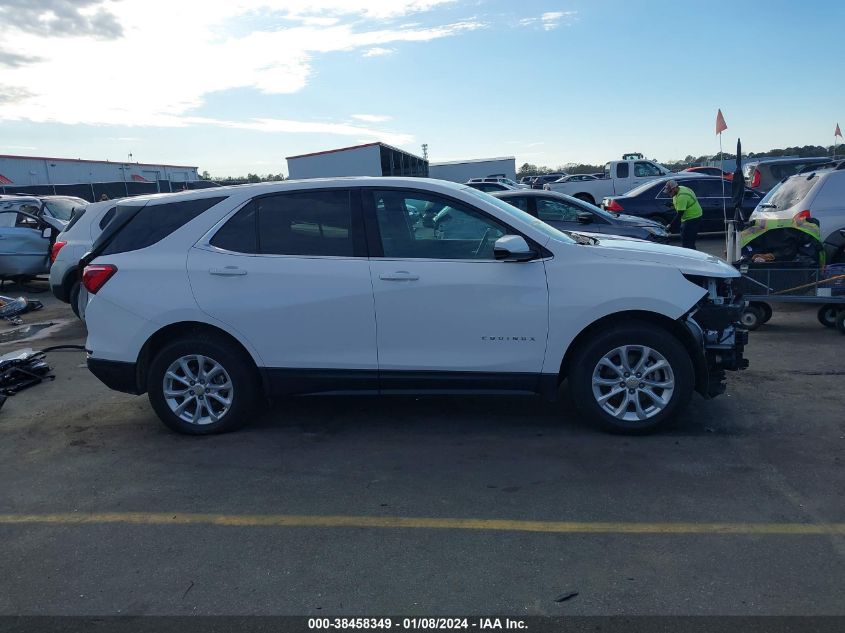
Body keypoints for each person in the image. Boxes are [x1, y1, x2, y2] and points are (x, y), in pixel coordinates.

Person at [664, 180, 702, 250]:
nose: (669, 194)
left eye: (669, 192)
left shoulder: (682, 196)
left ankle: (691, 256)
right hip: (689, 217)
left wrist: (670, 225)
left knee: (688, 242)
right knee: (686, 240)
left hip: (693, 218)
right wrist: (672, 205)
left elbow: (679, 214)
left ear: (674, 188)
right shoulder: (680, 188)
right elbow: (683, 205)